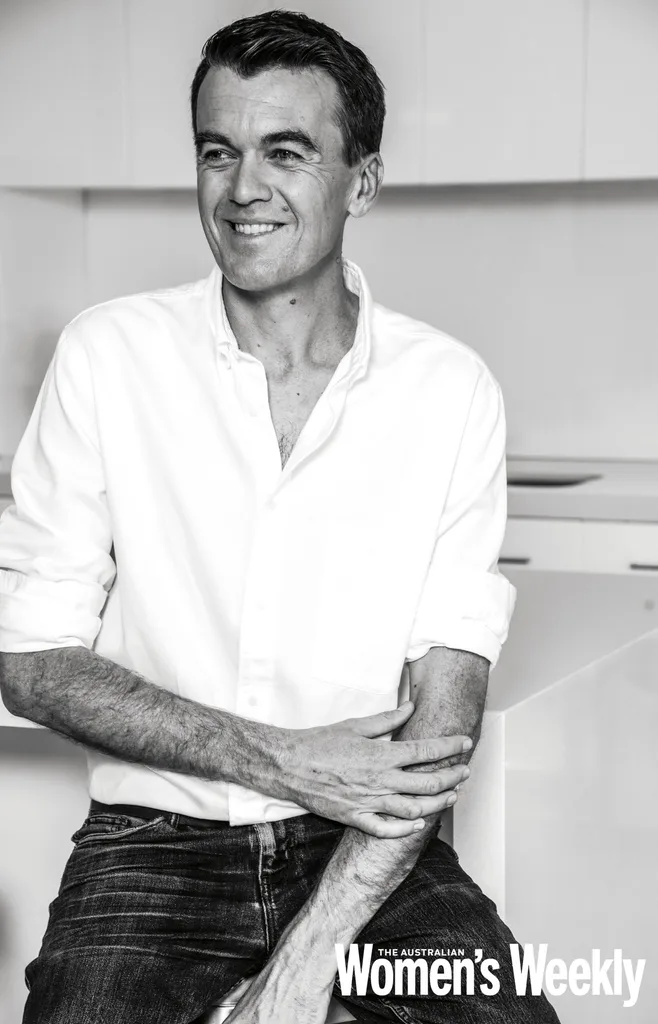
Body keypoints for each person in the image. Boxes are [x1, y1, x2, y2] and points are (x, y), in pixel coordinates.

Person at [0, 10, 559, 1023]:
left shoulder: (449, 390)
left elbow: (439, 728)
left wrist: (306, 961)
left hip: (365, 852)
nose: (242, 188)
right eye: (218, 151)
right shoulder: (107, 356)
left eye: (286, 153)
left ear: (362, 182)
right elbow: (31, 661)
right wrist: (285, 758)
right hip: (149, 846)